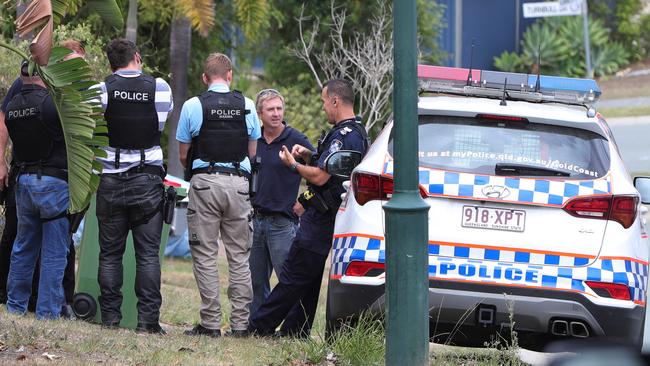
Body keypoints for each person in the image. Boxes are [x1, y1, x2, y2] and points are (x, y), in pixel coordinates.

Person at [248, 79, 369, 338]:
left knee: (292, 275)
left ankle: (259, 326)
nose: (323, 107)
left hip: (322, 217)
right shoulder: (355, 132)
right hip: (326, 214)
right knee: (309, 278)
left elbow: (322, 178)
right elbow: (331, 167)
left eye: (324, 101)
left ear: (335, 101)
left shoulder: (345, 135)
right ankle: (296, 331)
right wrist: (308, 156)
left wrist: (294, 164)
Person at [176, 52, 261, 338]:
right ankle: (240, 325)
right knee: (239, 256)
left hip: (204, 185)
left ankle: (210, 323)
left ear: (204, 78)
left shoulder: (192, 105)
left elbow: (183, 154)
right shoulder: (248, 105)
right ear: (230, 75)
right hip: (238, 185)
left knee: (205, 253)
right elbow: (252, 152)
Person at [0, 40, 86, 314]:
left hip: (23, 182)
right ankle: (47, 311)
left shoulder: (13, 106)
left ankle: (15, 305)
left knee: (23, 247)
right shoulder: (53, 105)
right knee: (54, 251)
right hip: (53, 183)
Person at [95, 38, 173, 334]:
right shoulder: (160, 87)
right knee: (148, 254)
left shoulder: (101, 89)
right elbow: (160, 124)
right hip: (147, 180)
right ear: (137, 57)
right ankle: (148, 322)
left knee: (110, 254)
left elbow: (93, 126)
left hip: (111, 180)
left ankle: (111, 319)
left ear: (110, 63)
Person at [249, 89, 314, 317]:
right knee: (255, 282)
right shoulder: (252, 139)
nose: (276, 114)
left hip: (283, 224)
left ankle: (290, 329)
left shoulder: (296, 139)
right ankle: (258, 325)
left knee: (287, 282)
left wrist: (305, 201)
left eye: (279, 108)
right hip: (254, 221)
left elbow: (323, 174)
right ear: (259, 113)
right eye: (270, 109)